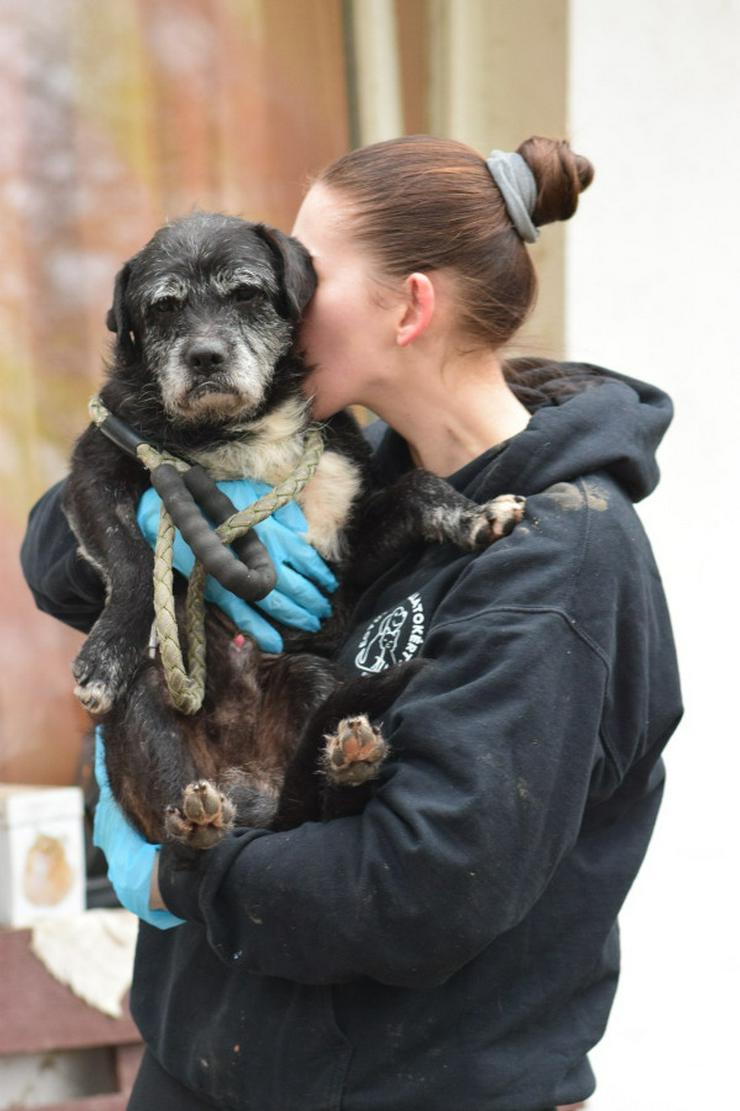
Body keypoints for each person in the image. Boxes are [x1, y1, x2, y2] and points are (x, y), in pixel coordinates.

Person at [20, 135, 682, 1111]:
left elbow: (420, 889)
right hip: (195, 1069)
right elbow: (52, 561)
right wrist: (167, 520)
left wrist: (178, 880)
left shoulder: (558, 563)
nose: (286, 302)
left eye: (310, 274)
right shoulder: (354, 463)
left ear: (408, 308)